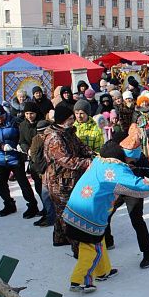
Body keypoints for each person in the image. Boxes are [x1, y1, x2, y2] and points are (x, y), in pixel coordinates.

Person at [64, 140, 149, 292]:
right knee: (90, 248)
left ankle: (103, 271)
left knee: (98, 242)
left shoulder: (101, 160)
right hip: (88, 214)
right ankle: (79, 280)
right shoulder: (115, 171)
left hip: (78, 208)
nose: (134, 161)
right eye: (132, 159)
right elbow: (137, 186)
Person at [103, 125, 149, 268]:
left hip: (133, 188)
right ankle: (107, 240)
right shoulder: (113, 150)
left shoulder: (137, 152)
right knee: (105, 213)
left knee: (136, 219)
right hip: (116, 187)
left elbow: (147, 168)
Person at [43, 105, 94, 251]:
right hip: (59, 181)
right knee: (67, 213)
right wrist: (87, 162)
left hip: (70, 178)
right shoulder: (55, 137)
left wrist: (92, 154)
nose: (74, 120)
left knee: (62, 211)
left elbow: (80, 146)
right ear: (62, 120)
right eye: (71, 118)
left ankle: (59, 238)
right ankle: (77, 247)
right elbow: (65, 159)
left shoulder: (68, 132)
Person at [0, 103, 40, 217]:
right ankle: (8, 204)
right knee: (0, 183)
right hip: (0, 159)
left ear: (5, 114)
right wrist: (0, 146)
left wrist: (19, 145)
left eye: (2, 117)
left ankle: (32, 205)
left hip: (15, 158)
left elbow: (23, 135)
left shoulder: (15, 121)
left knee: (23, 183)